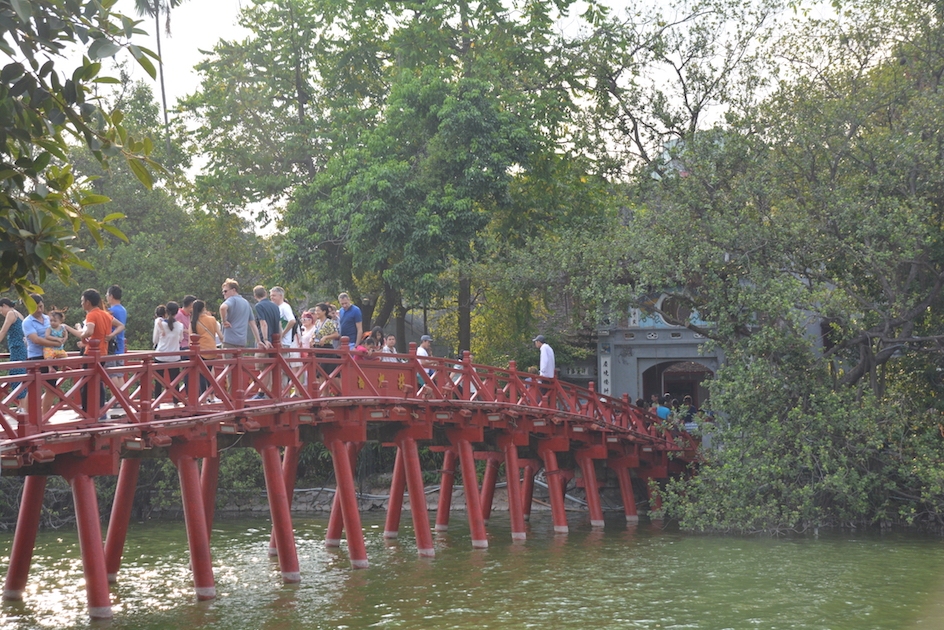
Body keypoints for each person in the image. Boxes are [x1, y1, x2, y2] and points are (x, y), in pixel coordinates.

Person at [79, 288, 125, 414]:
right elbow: (121, 325)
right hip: (103, 352)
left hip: (91, 353)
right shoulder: (105, 314)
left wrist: (83, 337)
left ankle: (87, 412)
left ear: (88, 302)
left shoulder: (91, 315)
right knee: (98, 382)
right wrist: (109, 336)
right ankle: (100, 409)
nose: (82, 304)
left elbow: (89, 331)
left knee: (86, 383)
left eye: (82, 301)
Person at [152, 301, 187, 400]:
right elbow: (180, 339)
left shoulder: (160, 324)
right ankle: (176, 401)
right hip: (174, 356)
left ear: (166, 312)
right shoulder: (180, 326)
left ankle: (157, 402)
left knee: (158, 381)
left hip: (160, 355)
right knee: (174, 381)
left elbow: (155, 340)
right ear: (177, 312)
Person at [251, 285, 280, 398]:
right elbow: (278, 324)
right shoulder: (275, 306)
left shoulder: (259, 306)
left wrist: (265, 339)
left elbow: (263, 323)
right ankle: (269, 393)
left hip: (265, 342)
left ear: (255, 296)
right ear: (266, 293)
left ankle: (261, 393)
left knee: (262, 368)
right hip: (275, 340)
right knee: (270, 368)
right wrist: (279, 339)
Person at [191, 300, 221, 398]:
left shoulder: (193, 321)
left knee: (201, 374)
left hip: (201, 350)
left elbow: (191, 339)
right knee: (208, 373)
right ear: (204, 308)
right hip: (212, 350)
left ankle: (203, 397)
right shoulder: (212, 319)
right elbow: (220, 335)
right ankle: (211, 396)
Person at [219, 279, 261, 349]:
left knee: (228, 360)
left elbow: (222, 308)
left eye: (225, 291)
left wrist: (224, 321)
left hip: (229, 340)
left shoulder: (231, 299)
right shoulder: (246, 303)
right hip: (241, 341)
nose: (224, 293)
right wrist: (258, 341)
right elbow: (253, 324)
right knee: (239, 359)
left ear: (233, 290)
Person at [0, 298, 27, 405]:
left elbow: (3, 331)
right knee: (21, 379)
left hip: (17, 349)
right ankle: (23, 408)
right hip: (21, 348)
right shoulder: (19, 314)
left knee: (17, 378)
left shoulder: (11, 314)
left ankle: (23, 410)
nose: (1, 313)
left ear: (5, 306)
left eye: (1, 310)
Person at [106, 285, 127, 388]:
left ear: (111, 296)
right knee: (119, 374)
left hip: (112, 346)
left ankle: (117, 399)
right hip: (120, 345)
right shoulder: (123, 309)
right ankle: (122, 400)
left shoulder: (111, 311)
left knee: (112, 374)